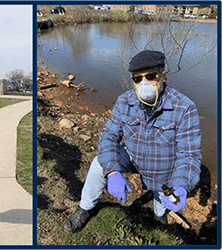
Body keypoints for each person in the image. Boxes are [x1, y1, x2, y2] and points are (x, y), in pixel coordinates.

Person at [63, 50, 202, 234]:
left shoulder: (184, 108)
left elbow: (189, 155)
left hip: (163, 169)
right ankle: (85, 207)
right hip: (133, 155)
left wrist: (181, 184)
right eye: (138, 79)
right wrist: (112, 171)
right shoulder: (124, 102)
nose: (143, 83)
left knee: (164, 199)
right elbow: (108, 136)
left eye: (150, 76)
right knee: (99, 163)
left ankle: (159, 214)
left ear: (163, 75)